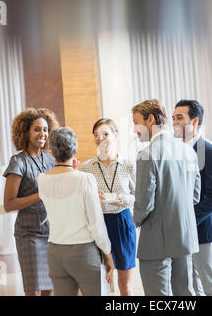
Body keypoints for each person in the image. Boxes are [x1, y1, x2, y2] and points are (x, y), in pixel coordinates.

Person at [132, 99, 201, 296]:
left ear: (150, 119)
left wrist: (134, 220)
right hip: (184, 236)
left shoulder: (147, 154)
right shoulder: (188, 151)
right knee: (185, 294)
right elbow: (194, 196)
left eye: (136, 121)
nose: (134, 129)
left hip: (155, 239)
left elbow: (145, 202)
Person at [37, 127, 114, 295]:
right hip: (84, 252)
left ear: (51, 151)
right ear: (75, 149)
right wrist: (107, 254)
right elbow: (96, 225)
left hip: (55, 253)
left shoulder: (42, 180)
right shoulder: (85, 179)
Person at [3, 107, 59, 296]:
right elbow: (9, 204)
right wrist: (39, 195)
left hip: (52, 232)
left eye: (45, 129)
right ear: (25, 131)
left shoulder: (51, 160)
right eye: (37, 129)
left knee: (49, 288)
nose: (42, 134)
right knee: (33, 288)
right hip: (29, 234)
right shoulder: (18, 162)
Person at [172, 100, 212, 296]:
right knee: (192, 287)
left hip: (202, 229)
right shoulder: (176, 152)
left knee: (211, 286)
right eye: (173, 118)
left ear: (194, 122)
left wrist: (187, 221)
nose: (174, 123)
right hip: (180, 232)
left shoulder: (211, 153)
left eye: (179, 118)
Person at [80, 118, 137, 296]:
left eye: (105, 134)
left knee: (125, 285)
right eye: (97, 135)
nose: (101, 138)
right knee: (101, 282)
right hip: (98, 223)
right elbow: (81, 198)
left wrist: (123, 199)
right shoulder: (86, 167)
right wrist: (92, 198)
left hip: (122, 221)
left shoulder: (128, 164)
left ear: (115, 136)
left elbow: (139, 196)